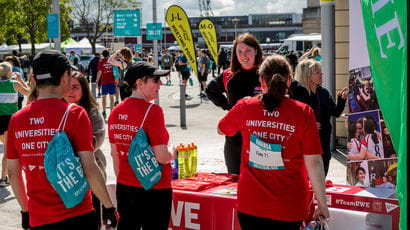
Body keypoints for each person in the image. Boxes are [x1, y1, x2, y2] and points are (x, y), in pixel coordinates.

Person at [6, 50, 118, 229]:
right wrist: (108, 205)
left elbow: (13, 172)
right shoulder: (74, 113)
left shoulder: (17, 119)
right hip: (77, 213)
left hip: (39, 217)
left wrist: (25, 210)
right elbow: (89, 166)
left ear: (34, 81)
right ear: (65, 77)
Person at [217, 54, 329, 229]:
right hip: (289, 207)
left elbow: (222, 129)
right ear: (289, 81)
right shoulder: (303, 112)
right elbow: (314, 162)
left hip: (251, 205)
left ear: (261, 81)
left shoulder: (245, 106)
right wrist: (322, 204)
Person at [108, 62, 176, 229]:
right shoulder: (153, 111)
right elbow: (162, 156)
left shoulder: (115, 111)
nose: (160, 84)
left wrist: (125, 180)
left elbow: (115, 155)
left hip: (125, 186)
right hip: (154, 187)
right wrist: (173, 150)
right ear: (139, 83)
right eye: (155, 80)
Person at [206, 33, 263, 174]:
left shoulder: (267, 73)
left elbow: (295, 91)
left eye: (248, 51)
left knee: (261, 182)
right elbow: (210, 90)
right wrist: (228, 107)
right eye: (239, 52)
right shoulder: (228, 74)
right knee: (234, 180)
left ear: (256, 50)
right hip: (235, 139)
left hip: (262, 138)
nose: (244, 56)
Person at [65, 71, 107, 229]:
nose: (70, 91)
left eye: (75, 87)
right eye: (67, 86)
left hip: (91, 175)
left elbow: (94, 142)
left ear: (84, 90)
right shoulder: (58, 111)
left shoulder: (92, 112)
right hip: (65, 178)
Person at [295, 59, 348, 176]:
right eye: (317, 72)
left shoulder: (323, 92)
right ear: (307, 75)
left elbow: (335, 113)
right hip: (304, 145)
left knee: (321, 177)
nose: (321, 73)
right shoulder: (297, 94)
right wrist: (308, 124)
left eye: (320, 71)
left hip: (323, 142)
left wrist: (341, 100)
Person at [0, 62, 30, 187]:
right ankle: (3, 179)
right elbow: (30, 93)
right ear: (9, 72)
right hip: (10, 120)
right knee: (8, 150)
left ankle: (6, 176)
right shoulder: (14, 84)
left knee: (9, 147)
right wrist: (21, 79)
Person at [96, 49, 116, 119]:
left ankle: (104, 111)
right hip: (112, 81)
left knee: (103, 98)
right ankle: (111, 112)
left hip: (104, 82)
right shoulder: (112, 60)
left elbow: (100, 71)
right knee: (112, 98)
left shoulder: (101, 61)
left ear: (102, 54)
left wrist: (97, 80)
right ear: (108, 54)